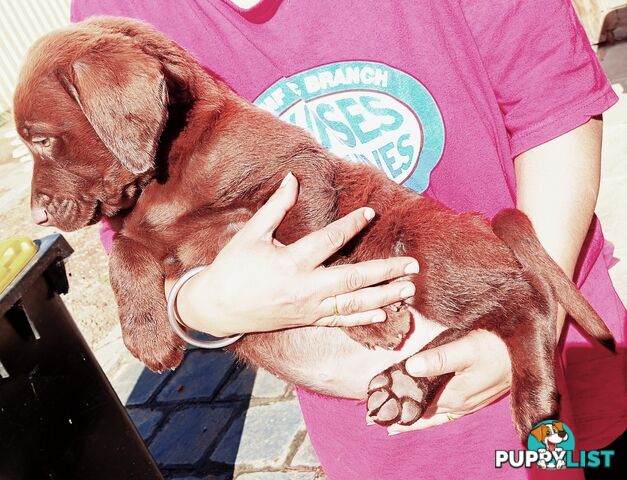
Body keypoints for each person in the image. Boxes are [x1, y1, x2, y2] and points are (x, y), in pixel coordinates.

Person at [72, 0, 626, 478]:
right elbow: (123, 204)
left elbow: (552, 108)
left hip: (567, 359)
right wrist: (207, 305)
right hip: (382, 430)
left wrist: (536, 317)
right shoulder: (110, 28)